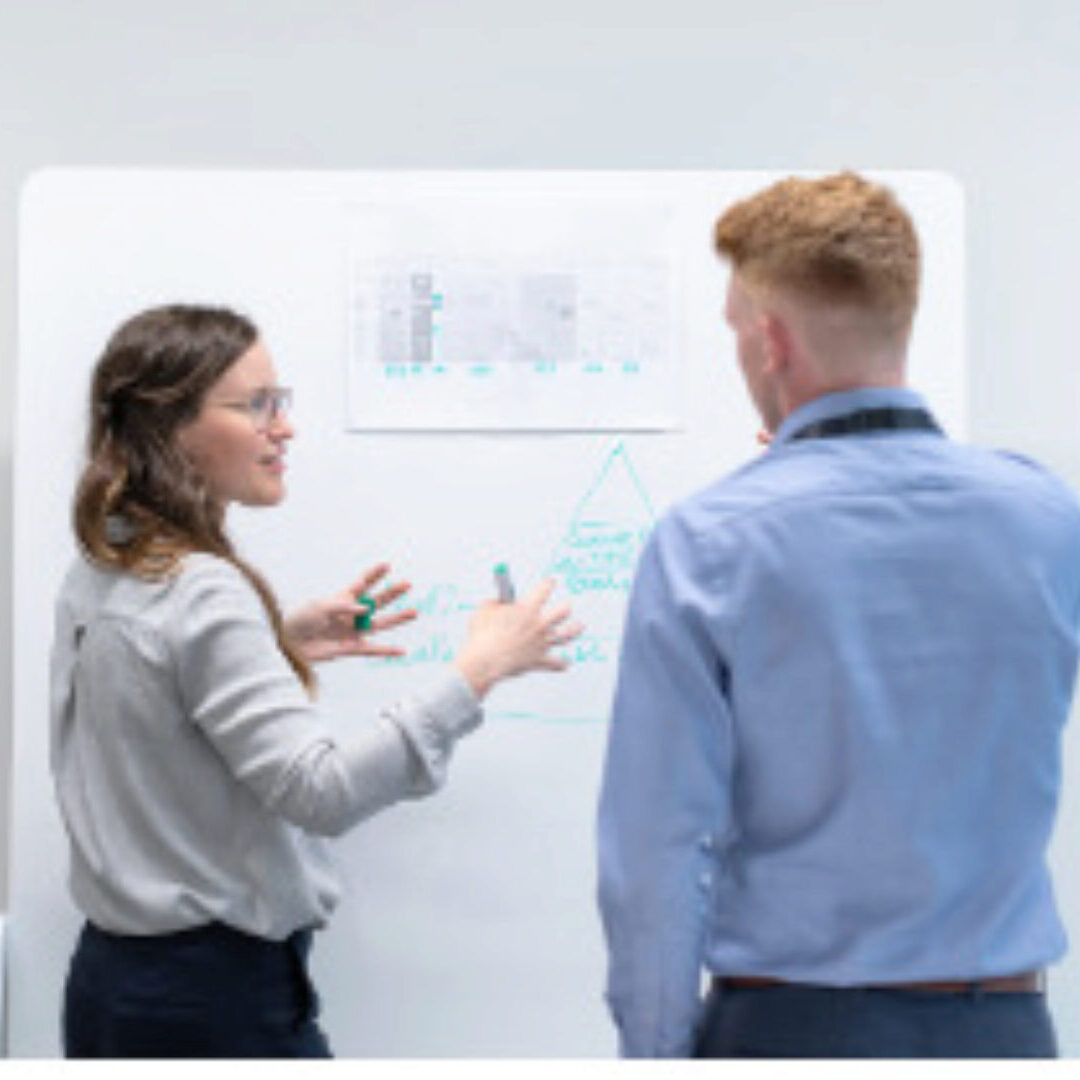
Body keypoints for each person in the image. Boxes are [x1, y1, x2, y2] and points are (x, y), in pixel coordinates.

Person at [596, 171, 1080, 1058]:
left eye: (737, 332)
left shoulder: (710, 542)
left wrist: (655, 1055)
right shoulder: (1049, 520)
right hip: (1005, 1031)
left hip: (793, 1031)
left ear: (771, 341)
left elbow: (658, 847)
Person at [51, 303, 582, 1058]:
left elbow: (150, 695)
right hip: (214, 1004)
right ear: (172, 428)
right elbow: (322, 792)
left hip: (114, 987)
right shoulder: (203, 590)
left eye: (282, 401)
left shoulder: (109, 563)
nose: (285, 428)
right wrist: (478, 670)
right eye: (255, 405)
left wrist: (276, 643)